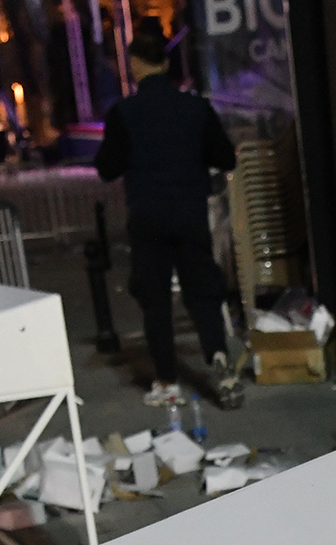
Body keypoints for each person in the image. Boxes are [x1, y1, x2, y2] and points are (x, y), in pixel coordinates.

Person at [95, 34, 240, 406]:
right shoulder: (195, 108)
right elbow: (225, 157)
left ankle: (166, 380)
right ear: (166, 63)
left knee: (155, 297)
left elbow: (107, 168)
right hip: (190, 212)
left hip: (147, 216)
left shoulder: (124, 112)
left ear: (135, 64)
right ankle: (219, 357)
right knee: (202, 289)